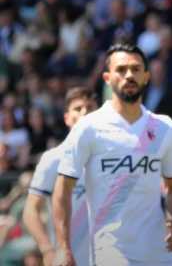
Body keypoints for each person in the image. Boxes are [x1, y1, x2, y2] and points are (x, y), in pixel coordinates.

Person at [52, 44, 172, 265]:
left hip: (160, 252)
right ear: (107, 77)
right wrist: (63, 247)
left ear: (146, 76)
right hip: (111, 253)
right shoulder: (88, 127)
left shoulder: (165, 127)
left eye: (135, 69)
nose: (129, 75)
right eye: (121, 69)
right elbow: (62, 188)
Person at [22, 87, 97, 266]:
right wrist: (47, 249)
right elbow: (30, 211)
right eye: (78, 108)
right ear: (66, 118)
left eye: (91, 107)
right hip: (68, 261)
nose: (85, 112)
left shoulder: (111, 159)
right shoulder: (53, 159)